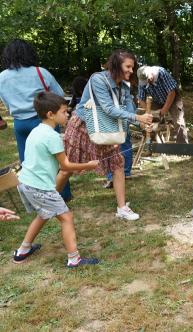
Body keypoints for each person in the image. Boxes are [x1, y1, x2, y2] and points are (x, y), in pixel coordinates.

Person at [56, 50, 153, 221]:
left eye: (133, 67)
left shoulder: (123, 86)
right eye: (128, 67)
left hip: (108, 129)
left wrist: (142, 123)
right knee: (67, 167)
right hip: (83, 126)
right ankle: (48, 202)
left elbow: (127, 111)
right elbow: (108, 108)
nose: (131, 71)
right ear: (116, 65)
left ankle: (122, 208)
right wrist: (138, 117)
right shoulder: (98, 80)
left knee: (118, 164)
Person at [13, 92, 99, 267]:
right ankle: (74, 259)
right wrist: (88, 165)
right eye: (64, 112)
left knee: (43, 214)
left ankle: (23, 250)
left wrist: (79, 165)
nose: (67, 114)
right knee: (66, 217)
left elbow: (54, 159)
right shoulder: (52, 136)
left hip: (26, 183)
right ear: (50, 114)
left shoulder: (37, 131)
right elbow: (65, 166)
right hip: (39, 188)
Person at [0, 39, 72, 201]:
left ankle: (36, 197)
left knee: (28, 162)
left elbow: (5, 101)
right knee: (56, 158)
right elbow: (59, 94)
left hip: (20, 124)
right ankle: (62, 194)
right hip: (44, 120)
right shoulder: (40, 72)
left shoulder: (2, 77)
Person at [137, 65, 188, 144]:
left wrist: (164, 110)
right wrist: (149, 113)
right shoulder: (142, 80)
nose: (146, 82)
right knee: (150, 121)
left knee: (179, 121)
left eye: (147, 79)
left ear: (150, 73)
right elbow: (141, 99)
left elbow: (171, 92)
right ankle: (154, 144)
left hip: (173, 98)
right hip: (157, 99)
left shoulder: (161, 72)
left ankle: (183, 147)